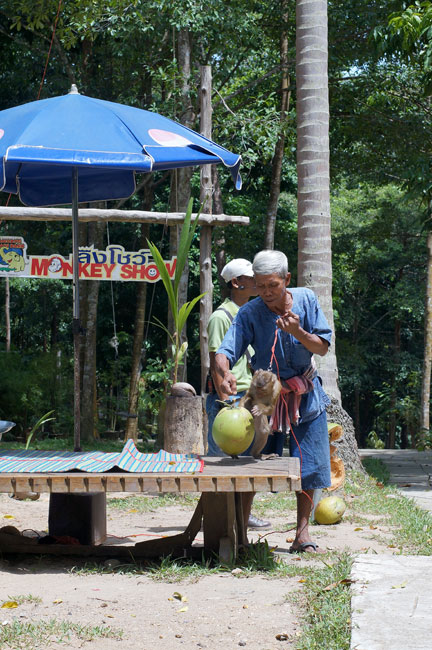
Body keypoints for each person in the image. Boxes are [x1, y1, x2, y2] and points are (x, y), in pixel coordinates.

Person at [214, 250, 332, 553]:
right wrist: (223, 371)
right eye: (261, 286)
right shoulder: (251, 312)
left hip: (305, 396)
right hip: (263, 398)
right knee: (252, 463)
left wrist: (298, 332)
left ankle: (302, 535)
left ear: (287, 280)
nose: (266, 292)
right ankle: (240, 535)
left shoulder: (306, 300)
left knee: (310, 468)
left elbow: (322, 348)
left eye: (273, 285)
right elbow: (225, 350)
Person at [207, 257, 270, 530]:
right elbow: (216, 363)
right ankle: (216, 518)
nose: (257, 282)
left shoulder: (255, 313)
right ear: (236, 283)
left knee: (248, 461)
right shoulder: (222, 316)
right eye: (250, 278)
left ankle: (243, 516)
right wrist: (226, 402)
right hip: (231, 399)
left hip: (250, 394)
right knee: (219, 463)